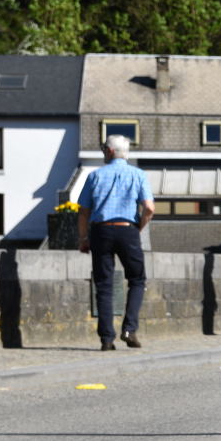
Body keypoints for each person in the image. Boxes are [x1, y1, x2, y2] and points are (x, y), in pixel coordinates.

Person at [77, 135, 155, 351]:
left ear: (110, 151)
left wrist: (84, 239)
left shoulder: (95, 176)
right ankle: (129, 329)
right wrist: (138, 228)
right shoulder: (137, 174)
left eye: (104, 148)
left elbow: (83, 211)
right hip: (126, 229)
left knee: (103, 285)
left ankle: (106, 338)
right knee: (137, 279)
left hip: (100, 231)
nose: (103, 152)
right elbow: (149, 208)